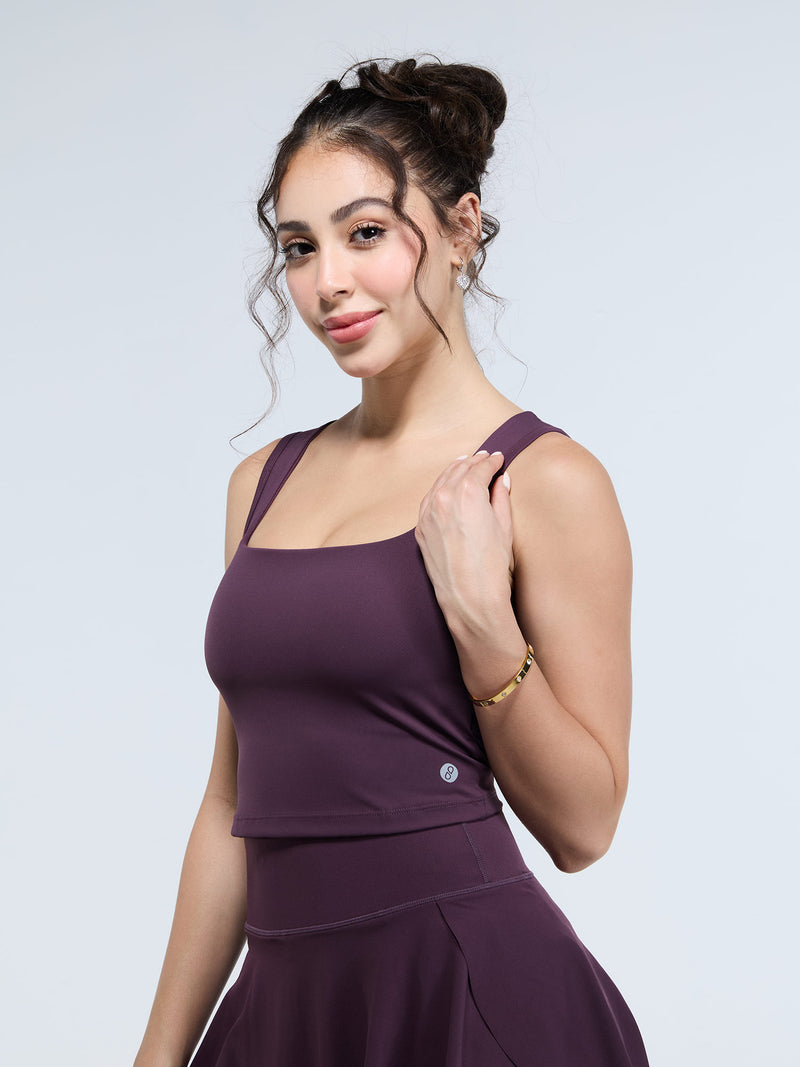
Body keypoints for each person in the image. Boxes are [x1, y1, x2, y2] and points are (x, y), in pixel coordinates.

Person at [134, 56, 650, 1067]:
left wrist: (482, 626)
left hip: (466, 998)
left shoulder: (544, 480)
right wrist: (157, 1056)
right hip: (287, 1011)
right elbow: (231, 805)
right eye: (299, 246)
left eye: (365, 232)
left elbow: (585, 826)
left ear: (460, 230)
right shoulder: (261, 483)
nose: (327, 280)